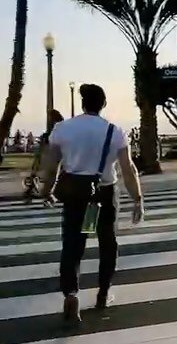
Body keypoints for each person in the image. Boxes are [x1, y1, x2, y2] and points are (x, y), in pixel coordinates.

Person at [40, 83, 144, 324]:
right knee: (107, 243)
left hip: (77, 196)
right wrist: (137, 199)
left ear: (83, 102)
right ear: (103, 104)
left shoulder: (62, 129)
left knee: (73, 246)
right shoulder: (114, 131)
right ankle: (103, 293)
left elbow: (51, 166)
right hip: (105, 194)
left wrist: (47, 192)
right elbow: (128, 170)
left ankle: (71, 294)